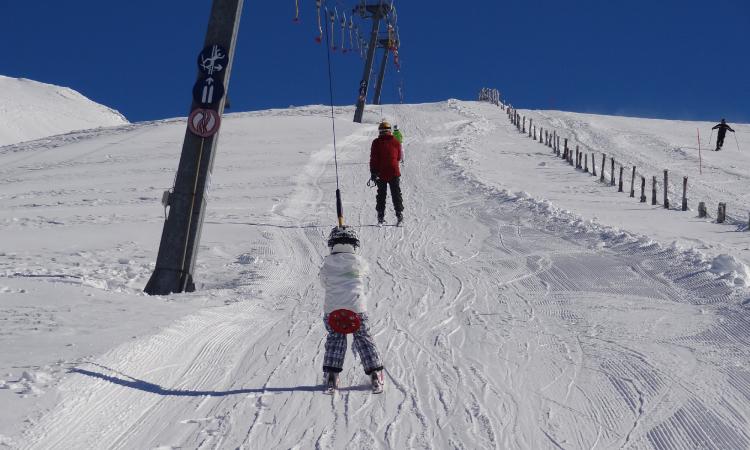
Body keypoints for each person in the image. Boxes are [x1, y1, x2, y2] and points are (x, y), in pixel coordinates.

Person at [320, 226, 385, 393]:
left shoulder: (327, 263)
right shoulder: (359, 262)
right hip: (356, 309)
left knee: (336, 338)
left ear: (332, 245)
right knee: (363, 337)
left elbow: (323, 282)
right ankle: (375, 372)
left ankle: (332, 375)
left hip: (333, 310)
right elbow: (364, 275)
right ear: (355, 245)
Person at [370, 121, 404, 225]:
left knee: (381, 195)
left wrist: (373, 172)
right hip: (394, 172)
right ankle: (399, 216)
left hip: (381, 173)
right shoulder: (396, 141)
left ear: (380, 131)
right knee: (396, 194)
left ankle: (380, 217)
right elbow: (399, 157)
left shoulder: (376, 142)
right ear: (390, 131)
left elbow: (374, 159)